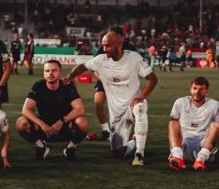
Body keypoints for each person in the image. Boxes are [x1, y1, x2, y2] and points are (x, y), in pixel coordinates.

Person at [66, 29, 157, 167]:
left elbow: (153, 79)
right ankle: (134, 141)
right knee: (118, 153)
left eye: (108, 45)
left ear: (119, 44)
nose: (104, 49)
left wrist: (142, 97)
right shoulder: (101, 60)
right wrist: (70, 77)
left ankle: (139, 154)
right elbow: (82, 67)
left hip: (132, 106)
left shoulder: (134, 57)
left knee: (140, 108)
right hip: (116, 115)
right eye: (103, 45)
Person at [16, 59, 88, 160]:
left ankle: (70, 147)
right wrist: (43, 125)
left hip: (65, 127)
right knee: (21, 122)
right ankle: (41, 146)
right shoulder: (38, 86)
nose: (50, 73)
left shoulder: (67, 86)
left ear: (60, 73)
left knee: (82, 122)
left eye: (54, 70)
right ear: (44, 74)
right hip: (43, 129)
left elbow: (80, 109)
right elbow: (26, 110)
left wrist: (61, 122)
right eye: (47, 71)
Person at [167, 76, 219, 171]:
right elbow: (173, 128)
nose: (197, 92)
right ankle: (178, 157)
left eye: (201, 89)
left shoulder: (215, 105)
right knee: (173, 123)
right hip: (183, 145)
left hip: (204, 145)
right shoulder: (180, 102)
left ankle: (200, 161)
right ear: (190, 89)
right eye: (195, 88)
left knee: (217, 125)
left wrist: (216, 153)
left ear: (207, 91)